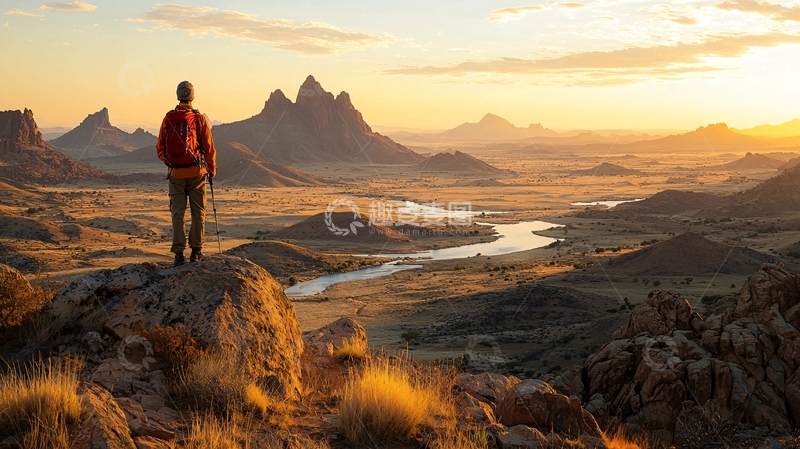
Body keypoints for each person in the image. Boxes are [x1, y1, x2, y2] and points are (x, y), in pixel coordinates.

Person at [156, 81, 217, 266]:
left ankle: (179, 254)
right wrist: (211, 169)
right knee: (198, 212)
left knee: (178, 214)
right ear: (192, 97)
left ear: (178, 96)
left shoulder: (168, 118)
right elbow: (209, 148)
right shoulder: (199, 119)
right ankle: (196, 252)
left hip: (175, 174)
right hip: (197, 174)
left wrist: (170, 163)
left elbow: (160, 148)